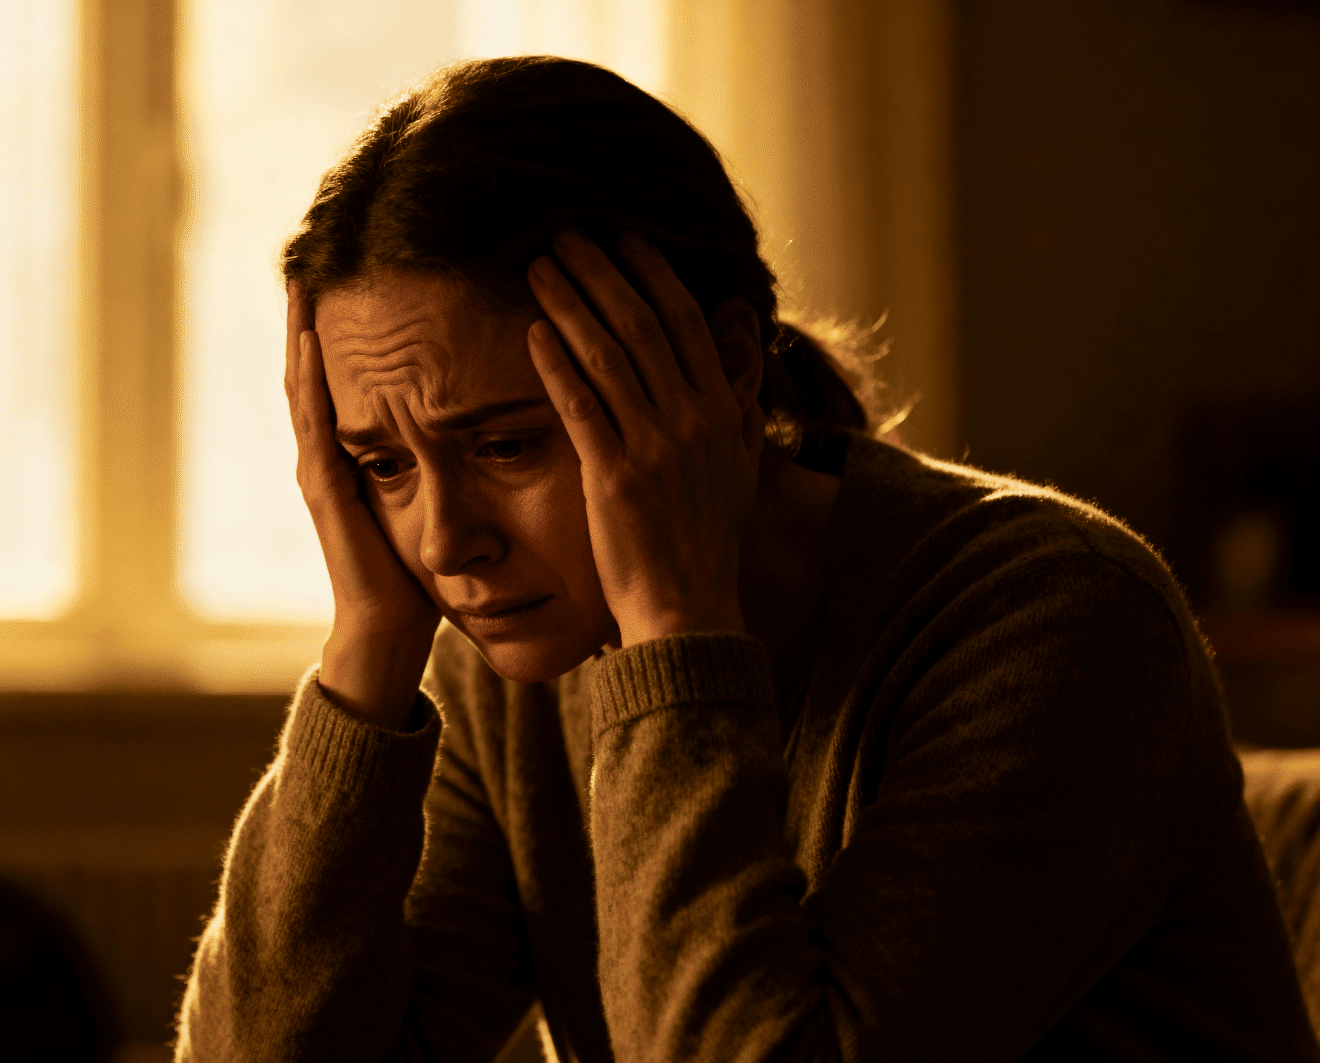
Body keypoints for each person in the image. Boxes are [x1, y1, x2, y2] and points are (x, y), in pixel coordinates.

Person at [173, 56, 1318, 1061]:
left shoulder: (1056, 621)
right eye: (381, 466)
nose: (441, 540)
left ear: (722, 366)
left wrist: (675, 634)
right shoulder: (516, 658)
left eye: (509, 443)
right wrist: (368, 655)